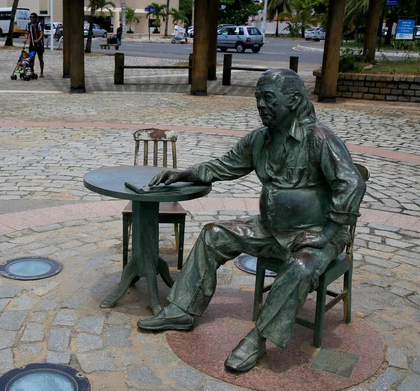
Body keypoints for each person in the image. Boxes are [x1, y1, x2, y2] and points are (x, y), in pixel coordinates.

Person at [138, 68, 366, 373]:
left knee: (299, 268)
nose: (261, 105)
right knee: (213, 234)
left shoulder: (319, 138)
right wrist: (186, 172)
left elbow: (351, 183)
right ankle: (181, 310)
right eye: (259, 99)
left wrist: (327, 233)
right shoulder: (259, 139)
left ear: (295, 100)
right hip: (271, 229)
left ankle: (257, 339)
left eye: (269, 98)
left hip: (314, 235)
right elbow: (226, 165)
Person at [25, 13, 44, 78]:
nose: (31, 18)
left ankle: (41, 72)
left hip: (39, 45)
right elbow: (27, 33)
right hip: (32, 45)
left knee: (40, 58)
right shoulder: (28, 25)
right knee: (32, 58)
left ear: (36, 18)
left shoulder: (39, 24)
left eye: (32, 17)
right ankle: (32, 72)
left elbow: (41, 34)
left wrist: (38, 40)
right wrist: (25, 39)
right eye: (30, 17)